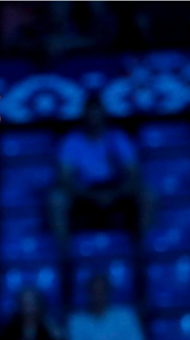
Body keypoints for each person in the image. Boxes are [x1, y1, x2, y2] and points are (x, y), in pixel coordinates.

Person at [49, 96, 145, 241]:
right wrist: (91, 195)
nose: (94, 118)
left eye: (97, 113)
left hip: (116, 188)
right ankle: (64, 251)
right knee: (57, 199)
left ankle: (143, 248)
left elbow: (133, 173)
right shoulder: (72, 141)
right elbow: (65, 178)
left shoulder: (118, 138)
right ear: (83, 115)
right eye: (90, 114)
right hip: (83, 191)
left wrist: (114, 193)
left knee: (147, 195)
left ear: (104, 114)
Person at [67, 275, 145, 340]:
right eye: (94, 292)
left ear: (109, 292)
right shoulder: (77, 322)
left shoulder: (126, 317)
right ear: (87, 293)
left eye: (102, 291)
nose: (98, 296)